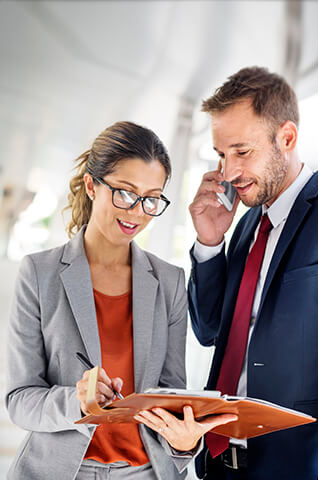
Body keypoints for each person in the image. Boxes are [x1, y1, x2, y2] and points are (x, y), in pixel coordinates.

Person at [188, 67, 318, 479]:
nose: (228, 172)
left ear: (286, 138)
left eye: (241, 152)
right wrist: (211, 243)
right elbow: (210, 330)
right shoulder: (247, 224)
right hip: (220, 466)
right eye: (221, 154)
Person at [6, 121, 236, 480]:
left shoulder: (170, 282)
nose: (137, 211)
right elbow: (19, 400)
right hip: (62, 471)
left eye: (151, 198)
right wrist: (78, 401)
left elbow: (170, 398)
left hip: (145, 472)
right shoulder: (39, 273)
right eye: (125, 193)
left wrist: (185, 443)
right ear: (91, 185)